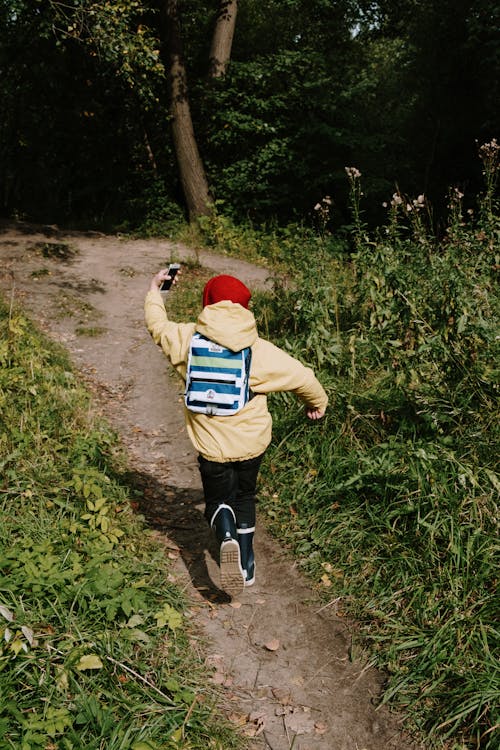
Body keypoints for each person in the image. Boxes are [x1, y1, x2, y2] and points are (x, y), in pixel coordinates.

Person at [144, 269, 328, 598]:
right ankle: (246, 562)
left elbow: (157, 326)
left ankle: (225, 534)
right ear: (245, 308)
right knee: (245, 497)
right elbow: (303, 376)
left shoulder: (187, 339)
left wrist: (155, 289)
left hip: (212, 450)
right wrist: (317, 403)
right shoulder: (259, 350)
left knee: (219, 500)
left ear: (208, 304)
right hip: (252, 447)